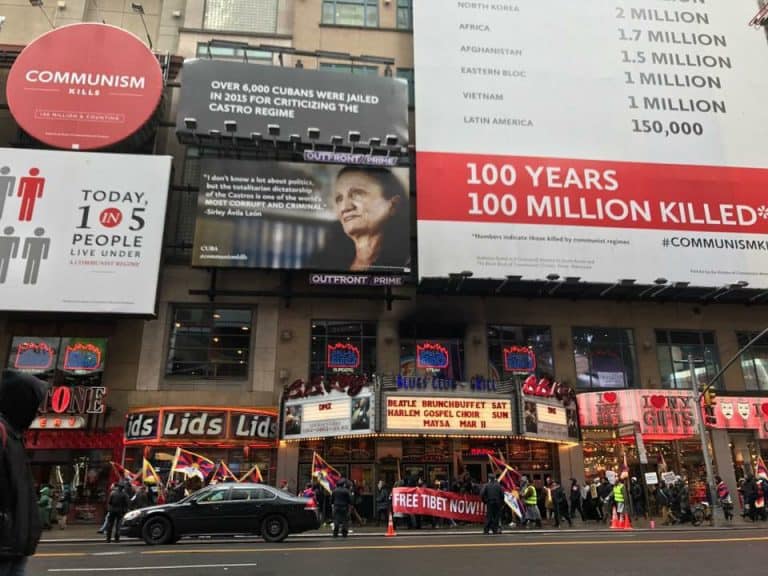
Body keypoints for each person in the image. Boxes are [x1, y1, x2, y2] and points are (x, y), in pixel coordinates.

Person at [312, 166, 409, 272]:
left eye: (357, 194)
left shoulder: (407, 262)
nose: (345, 207)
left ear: (393, 205)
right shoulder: (326, 259)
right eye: (339, 199)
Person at [0, 369, 47, 576]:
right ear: (21, 402)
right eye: (35, 405)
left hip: (14, 548)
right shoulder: (3, 433)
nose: (37, 412)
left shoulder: (15, 437)